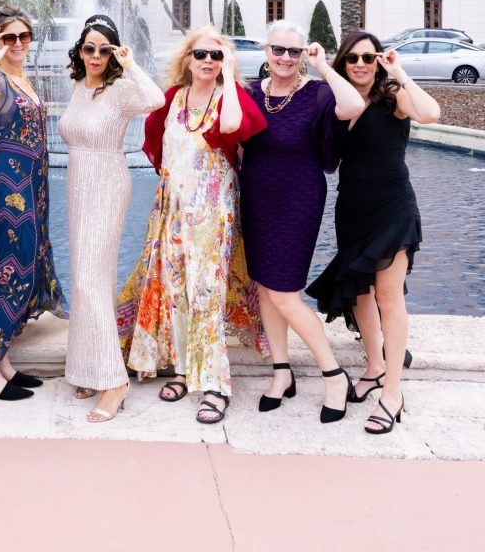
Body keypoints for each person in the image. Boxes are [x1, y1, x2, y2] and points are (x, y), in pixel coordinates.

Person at [117, 27, 268, 425]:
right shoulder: (172, 99)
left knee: (207, 290)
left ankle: (216, 385)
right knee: (175, 289)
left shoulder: (229, 96)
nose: (207, 61)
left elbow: (234, 127)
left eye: (216, 56)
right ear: (187, 58)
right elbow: (156, 148)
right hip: (173, 207)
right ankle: (184, 370)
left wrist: (231, 74)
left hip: (213, 209)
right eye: (200, 54)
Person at [307, 31, 439, 435]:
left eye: (368, 57)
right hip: (353, 208)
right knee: (360, 291)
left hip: (393, 206)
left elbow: (431, 113)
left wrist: (399, 72)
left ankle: (393, 393)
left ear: (377, 61)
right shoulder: (336, 101)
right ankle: (375, 367)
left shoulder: (392, 97)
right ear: (343, 62)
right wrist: (320, 68)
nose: (361, 65)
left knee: (388, 295)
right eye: (353, 59)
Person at [241, 22, 366, 423]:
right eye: (279, 49)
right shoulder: (249, 94)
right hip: (256, 198)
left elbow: (354, 107)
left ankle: (333, 375)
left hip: (298, 200)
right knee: (264, 288)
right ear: (266, 49)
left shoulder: (317, 93)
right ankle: (281, 372)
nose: (286, 58)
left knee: (285, 294)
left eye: (294, 52)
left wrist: (324, 66)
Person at [58, 14, 165, 424]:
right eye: (89, 48)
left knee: (91, 281)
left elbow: (155, 99)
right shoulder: (77, 86)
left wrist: (131, 63)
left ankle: (114, 382)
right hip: (78, 185)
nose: (96, 56)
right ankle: (87, 369)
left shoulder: (120, 89)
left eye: (105, 49)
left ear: (114, 52)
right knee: (84, 279)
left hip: (106, 183)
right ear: (80, 51)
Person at [0, 4, 68, 399]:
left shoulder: (21, 77)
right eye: (10, 37)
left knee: (17, 263)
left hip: (31, 186)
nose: (19, 43)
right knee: (13, 267)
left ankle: (0, 361)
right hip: (8, 188)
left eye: (25, 36)